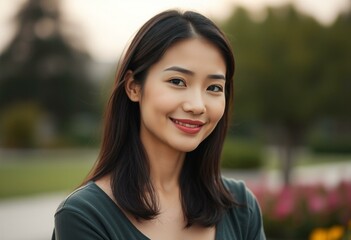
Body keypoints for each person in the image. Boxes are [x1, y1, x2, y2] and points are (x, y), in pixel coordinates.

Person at [52, 9, 266, 240]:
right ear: (134, 87)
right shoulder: (85, 216)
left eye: (214, 87)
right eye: (177, 81)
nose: (197, 105)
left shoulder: (241, 208)